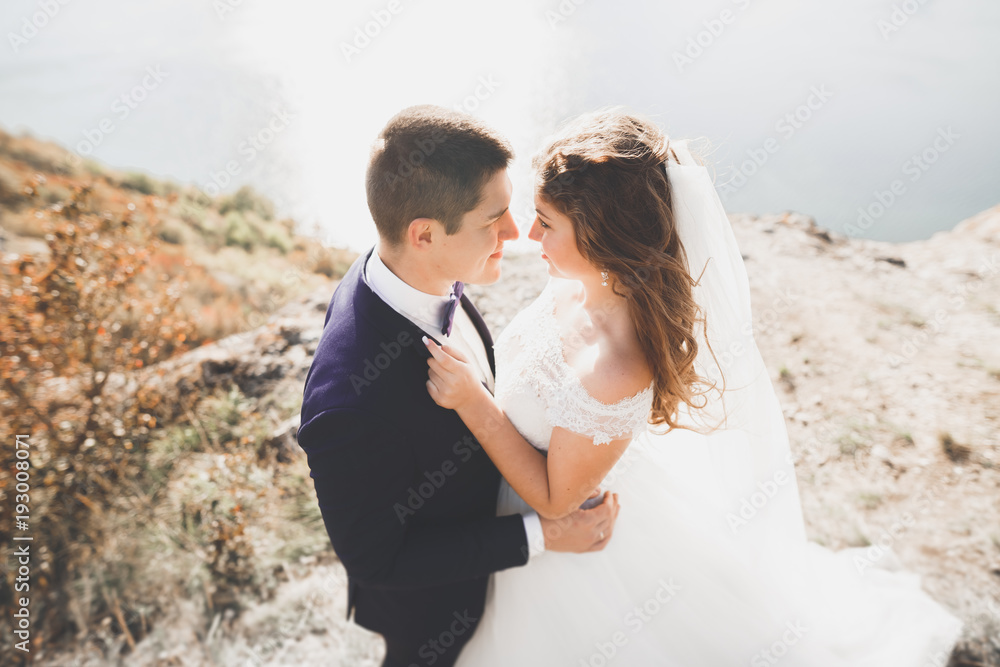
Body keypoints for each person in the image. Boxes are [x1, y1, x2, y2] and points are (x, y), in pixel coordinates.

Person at [424, 108, 965, 665]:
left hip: (573, 555)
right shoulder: (572, 281)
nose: (529, 233)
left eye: (546, 222)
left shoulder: (616, 367)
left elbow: (557, 499)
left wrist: (471, 400)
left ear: (600, 235)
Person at [297, 105, 621, 667]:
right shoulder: (348, 407)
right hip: (436, 621)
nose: (517, 232)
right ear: (423, 234)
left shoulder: (403, 270)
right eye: (492, 220)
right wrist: (541, 535)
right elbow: (377, 561)